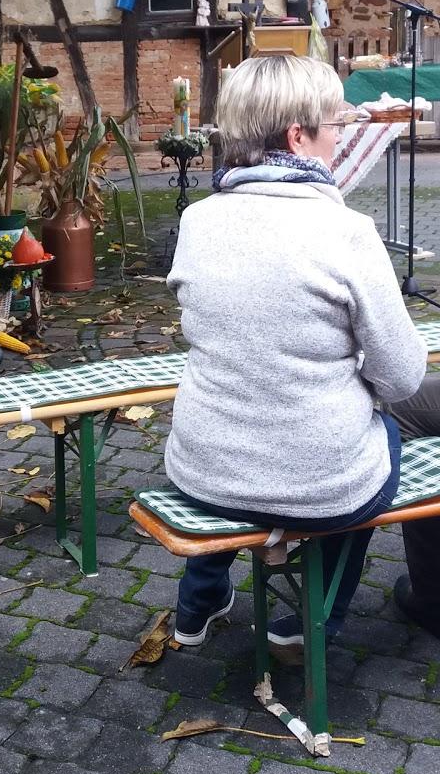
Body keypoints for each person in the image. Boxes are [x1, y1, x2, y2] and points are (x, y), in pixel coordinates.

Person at [164, 53, 435, 648]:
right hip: (314, 482)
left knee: (248, 399)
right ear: (298, 137)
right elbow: (402, 376)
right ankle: (319, 619)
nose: (340, 138)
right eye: (335, 125)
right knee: (377, 442)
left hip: (201, 468)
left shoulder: (199, 221)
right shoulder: (348, 233)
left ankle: (199, 601)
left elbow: (208, 329)